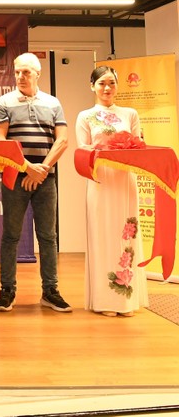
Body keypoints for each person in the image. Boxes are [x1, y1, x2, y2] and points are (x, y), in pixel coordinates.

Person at [0, 52, 71, 312]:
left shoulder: (53, 103)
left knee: (48, 237)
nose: (20, 76)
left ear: (38, 73)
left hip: (46, 180)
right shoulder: (4, 102)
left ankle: (50, 291)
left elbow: (62, 140)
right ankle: (7, 290)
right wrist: (27, 169)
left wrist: (43, 169)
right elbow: (0, 142)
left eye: (26, 72)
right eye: (17, 72)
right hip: (16, 177)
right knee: (11, 236)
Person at [76, 66, 147, 317]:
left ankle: (125, 300)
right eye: (102, 83)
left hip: (125, 181)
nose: (107, 88)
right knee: (103, 235)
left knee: (125, 236)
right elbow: (83, 151)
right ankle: (105, 300)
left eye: (112, 83)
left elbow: (137, 146)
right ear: (92, 86)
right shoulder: (85, 116)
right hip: (100, 181)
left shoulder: (130, 113)